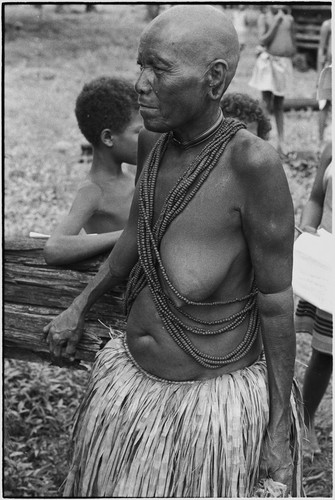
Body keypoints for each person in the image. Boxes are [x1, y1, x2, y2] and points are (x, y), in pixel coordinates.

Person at [44, 5, 303, 497]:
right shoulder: (152, 143)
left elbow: (275, 300)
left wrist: (276, 435)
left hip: (208, 411)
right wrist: (79, 306)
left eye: (158, 69)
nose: (141, 83)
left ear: (214, 78)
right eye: (140, 64)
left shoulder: (253, 165)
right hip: (131, 389)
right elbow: (135, 240)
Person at [44, 77, 142, 265]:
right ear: (108, 138)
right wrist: (127, 235)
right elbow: (54, 248)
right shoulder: (92, 191)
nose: (147, 138)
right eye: (138, 132)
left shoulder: (130, 175)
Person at [295, 134, 332, 457]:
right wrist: (307, 226)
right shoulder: (332, 147)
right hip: (329, 266)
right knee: (324, 353)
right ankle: (304, 423)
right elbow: (317, 198)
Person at [249, 4, 296, 155]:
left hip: (283, 64)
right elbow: (262, 40)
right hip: (268, 64)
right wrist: (275, 23)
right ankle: (262, 141)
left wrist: (289, 50)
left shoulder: (289, 18)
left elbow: (292, 40)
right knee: (266, 103)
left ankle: (281, 142)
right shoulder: (265, 17)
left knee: (279, 104)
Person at [317, 19, 332, 144]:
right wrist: (319, 73)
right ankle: (320, 139)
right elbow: (321, 49)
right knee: (325, 103)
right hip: (330, 67)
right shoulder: (328, 25)